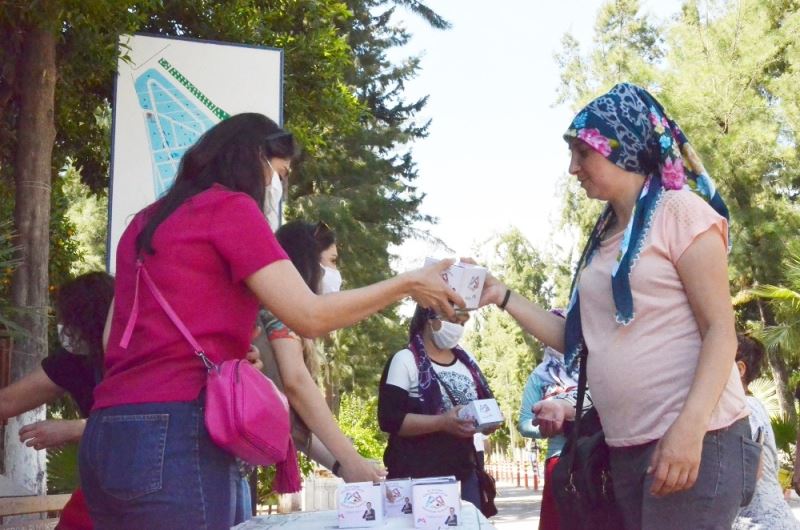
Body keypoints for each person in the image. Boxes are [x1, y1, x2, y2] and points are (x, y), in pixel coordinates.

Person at [79, 113, 463, 530]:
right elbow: (310, 315)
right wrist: (407, 284)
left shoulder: (142, 223)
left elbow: (111, 338)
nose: (276, 186)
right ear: (254, 158)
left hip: (106, 432)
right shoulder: (229, 208)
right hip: (177, 434)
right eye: (279, 172)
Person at [478, 83, 758, 529]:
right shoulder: (607, 235)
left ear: (622, 148)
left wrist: (689, 431)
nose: (572, 169)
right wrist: (503, 296)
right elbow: (579, 339)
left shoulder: (681, 212)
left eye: (582, 154)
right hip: (626, 449)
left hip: (697, 439)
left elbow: (721, 331)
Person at [260, 219, 383, 482]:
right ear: (307, 262)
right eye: (332, 260)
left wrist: (348, 465)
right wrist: (350, 460)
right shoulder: (281, 310)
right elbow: (297, 384)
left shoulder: (282, 314)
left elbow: (299, 425)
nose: (336, 272)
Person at [0, 271, 114, 530]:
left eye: (72, 320)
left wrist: (72, 429)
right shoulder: (74, 359)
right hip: (101, 486)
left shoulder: (143, 358)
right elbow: (7, 402)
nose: (65, 329)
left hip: (151, 487)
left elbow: (148, 423)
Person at [378, 305, 495, 508]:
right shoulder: (405, 360)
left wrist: (488, 421)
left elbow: (483, 405)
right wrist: (441, 423)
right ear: (429, 319)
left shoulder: (468, 364)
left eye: (462, 322)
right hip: (417, 480)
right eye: (452, 320)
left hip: (464, 475)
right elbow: (390, 419)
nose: (457, 328)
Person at [734, 333, 800, 530]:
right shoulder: (751, 405)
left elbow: (752, 470)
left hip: (760, 524)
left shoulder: (743, 408)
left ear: (739, 369)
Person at [518, 340, 575, 530]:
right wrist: (553, 424)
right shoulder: (540, 375)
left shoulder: (597, 363)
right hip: (561, 460)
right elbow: (525, 423)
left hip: (602, 453)